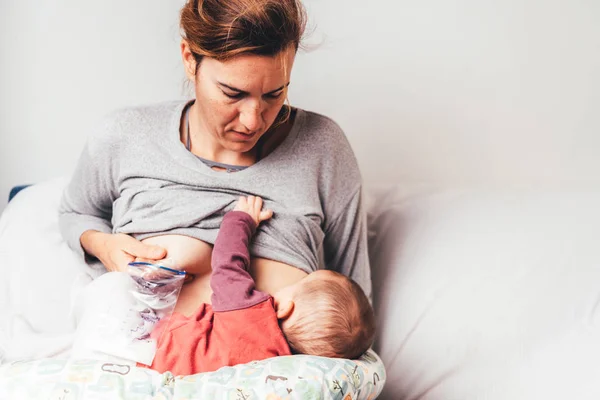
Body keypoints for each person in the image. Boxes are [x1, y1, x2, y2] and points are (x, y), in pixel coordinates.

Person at [59, 0, 371, 321]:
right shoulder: (125, 134)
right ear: (189, 59)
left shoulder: (323, 146)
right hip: (141, 363)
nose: (253, 120)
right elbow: (75, 213)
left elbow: (355, 301)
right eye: (233, 93)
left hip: (282, 368)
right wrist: (104, 246)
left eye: (274, 94)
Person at [147, 195, 375, 376]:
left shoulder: (246, 312)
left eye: (302, 283)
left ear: (287, 308)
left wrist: (241, 219)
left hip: (158, 352)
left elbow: (227, 262)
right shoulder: (280, 364)